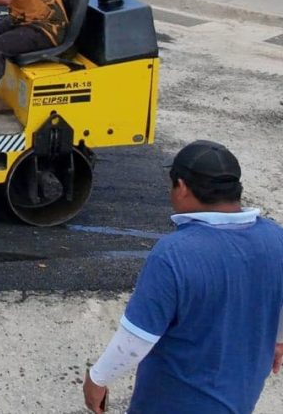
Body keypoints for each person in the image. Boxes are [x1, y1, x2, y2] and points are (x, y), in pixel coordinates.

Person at [83, 140, 283, 414]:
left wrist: (97, 379)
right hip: (240, 400)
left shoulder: (174, 254)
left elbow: (136, 339)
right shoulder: (276, 238)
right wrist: (278, 338)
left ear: (183, 187)